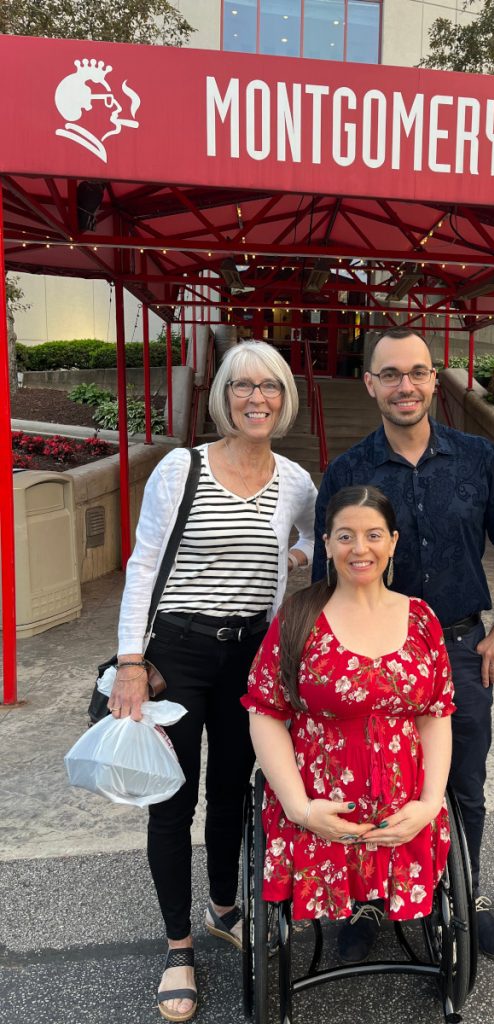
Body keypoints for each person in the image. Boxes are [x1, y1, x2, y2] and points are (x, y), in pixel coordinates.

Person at [109, 341, 317, 1022]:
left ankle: (224, 907)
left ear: (285, 397)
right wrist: (131, 662)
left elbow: (319, 536)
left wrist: (297, 555)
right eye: (242, 386)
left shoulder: (295, 481)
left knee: (232, 790)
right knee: (173, 799)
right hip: (177, 652)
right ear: (224, 396)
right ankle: (178, 946)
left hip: (251, 655)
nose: (257, 398)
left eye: (270, 386)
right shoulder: (183, 467)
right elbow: (144, 563)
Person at [312, 328, 494, 960]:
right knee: (370, 781)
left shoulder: (477, 458)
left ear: (435, 380)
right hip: (371, 654)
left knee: (462, 779)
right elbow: (328, 569)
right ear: (370, 384)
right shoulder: (349, 470)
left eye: (416, 372)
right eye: (390, 374)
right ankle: (369, 900)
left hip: (461, 646)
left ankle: (464, 892)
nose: (404, 385)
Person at [243, 485, 454, 951]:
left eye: (373, 535)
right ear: (326, 544)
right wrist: (299, 809)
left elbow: (435, 714)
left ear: (393, 542)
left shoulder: (421, 618)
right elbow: (265, 711)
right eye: (345, 536)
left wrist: (429, 804)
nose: (360, 549)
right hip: (318, 812)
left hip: (404, 812)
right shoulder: (298, 618)